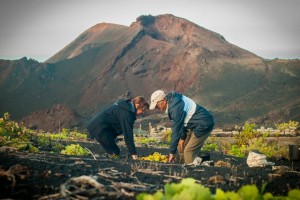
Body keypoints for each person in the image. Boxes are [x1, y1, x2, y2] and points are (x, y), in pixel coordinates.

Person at [149, 90, 215, 164]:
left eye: (157, 106)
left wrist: (171, 153)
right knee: (181, 146)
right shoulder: (173, 102)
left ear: (163, 100)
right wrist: (182, 138)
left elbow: (176, 131)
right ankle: (183, 166)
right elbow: (182, 122)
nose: (157, 108)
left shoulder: (175, 108)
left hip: (203, 124)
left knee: (189, 151)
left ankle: (192, 171)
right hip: (193, 124)